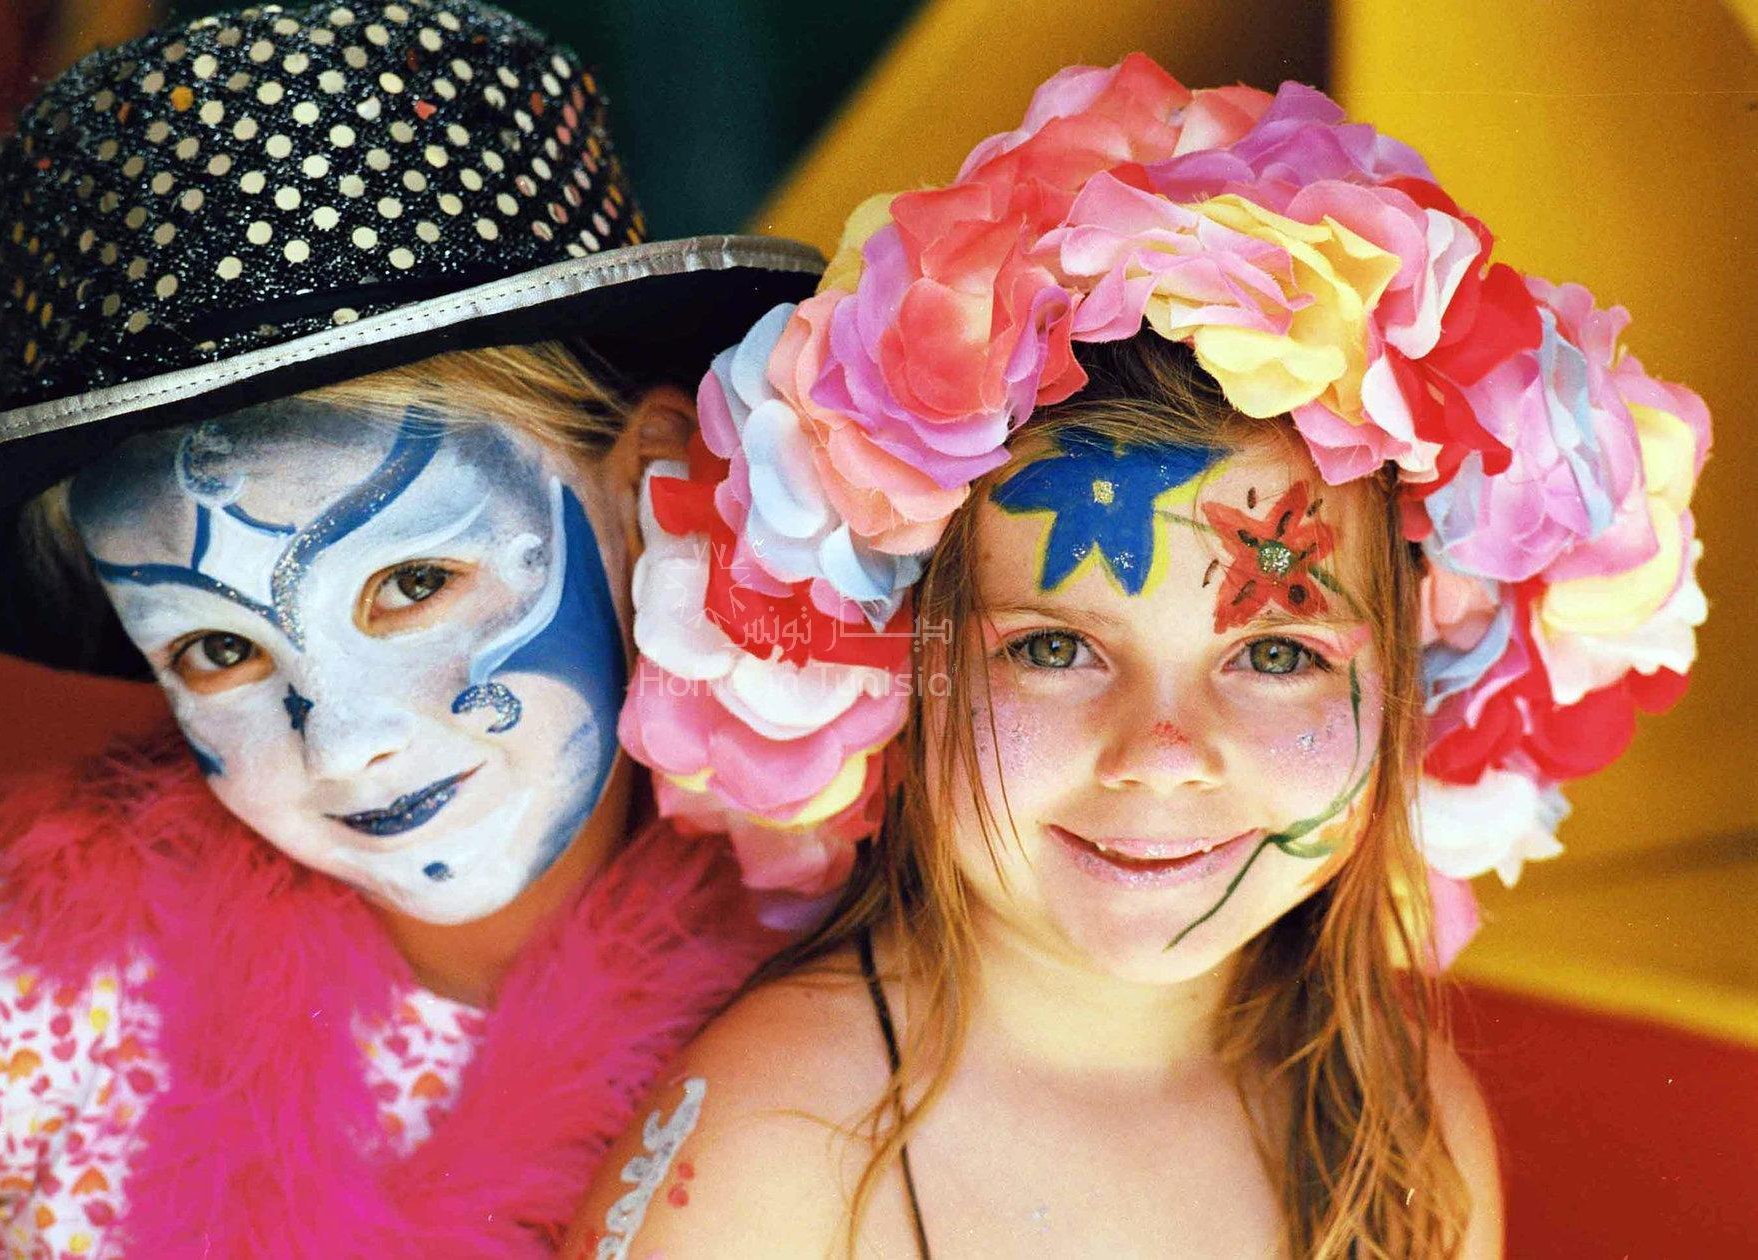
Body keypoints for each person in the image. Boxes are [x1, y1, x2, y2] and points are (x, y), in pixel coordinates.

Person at [570, 55, 1710, 1257]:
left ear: (1410, 675)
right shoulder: (774, 1147)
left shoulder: (1404, 1129)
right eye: (1054, 646)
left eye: (1276, 656)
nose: (1161, 755)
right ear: (899, 667)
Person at [0, 1, 826, 1254]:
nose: (345, 743)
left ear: (654, 486)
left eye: (413, 583)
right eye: (219, 650)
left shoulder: (825, 1032)